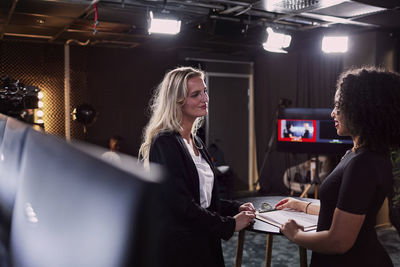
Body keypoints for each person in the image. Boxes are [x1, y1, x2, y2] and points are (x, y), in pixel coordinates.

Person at [274, 67, 400, 267]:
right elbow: (342, 209)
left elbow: (338, 241)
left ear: (361, 110)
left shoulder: (363, 163)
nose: (333, 113)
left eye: (339, 106)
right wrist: (300, 205)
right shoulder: (358, 154)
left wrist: (295, 234)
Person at [138, 67, 256, 267]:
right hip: (180, 251)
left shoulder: (196, 141)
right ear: (177, 101)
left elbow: (204, 200)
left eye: (205, 91)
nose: (205, 98)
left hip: (205, 242)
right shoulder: (165, 142)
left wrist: (235, 207)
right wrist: (230, 224)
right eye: (196, 94)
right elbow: (181, 205)